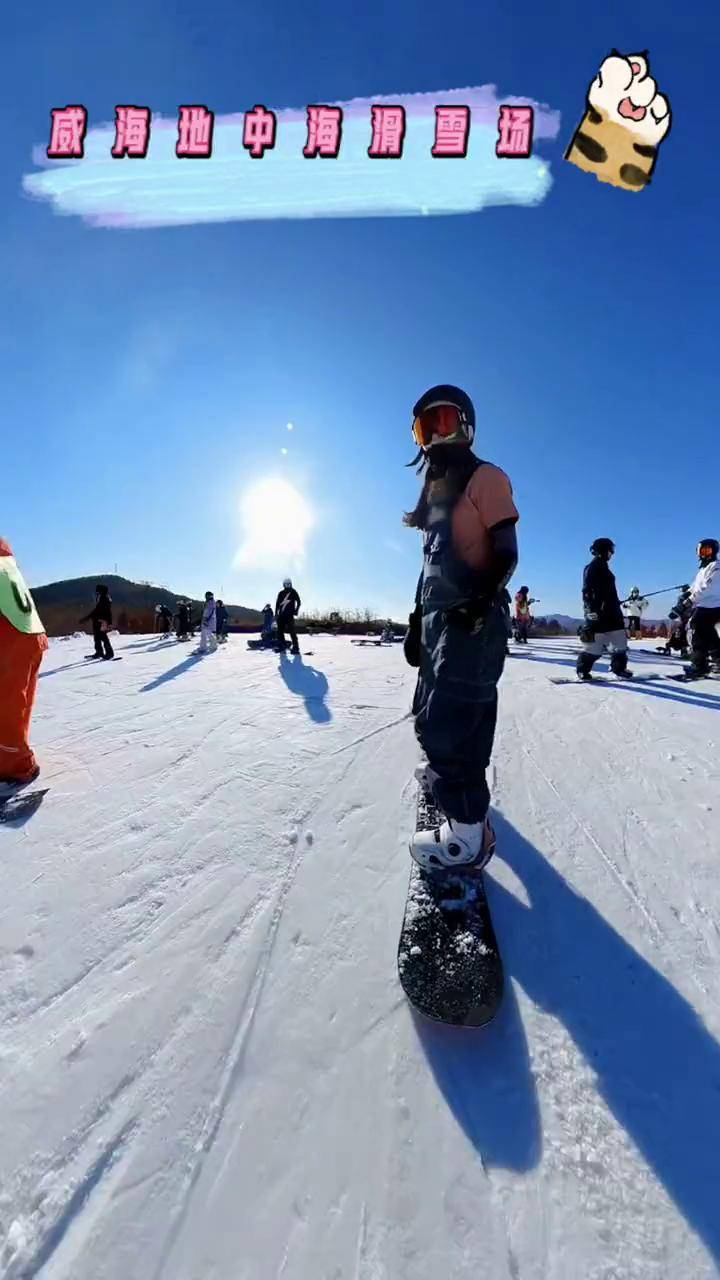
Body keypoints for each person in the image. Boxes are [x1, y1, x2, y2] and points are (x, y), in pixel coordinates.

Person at [403, 384, 518, 872]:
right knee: (428, 712)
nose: (433, 436)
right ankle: (445, 778)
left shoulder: (485, 477)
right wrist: (415, 622)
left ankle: (468, 836)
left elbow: (507, 551)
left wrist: (478, 600)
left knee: (458, 719)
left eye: (442, 422)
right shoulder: (436, 492)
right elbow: (428, 569)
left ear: (466, 425)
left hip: (473, 620)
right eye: (424, 428)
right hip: (438, 621)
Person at [0, 538, 48, 785]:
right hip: (30, 634)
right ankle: (14, 753)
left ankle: (17, 765)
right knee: (18, 704)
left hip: (11, 639)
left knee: (6, 706)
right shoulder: (6, 560)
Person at [577, 539, 633, 681]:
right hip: (597, 613)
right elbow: (587, 591)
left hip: (612, 612)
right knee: (594, 648)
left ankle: (619, 668)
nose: (612, 553)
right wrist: (591, 609)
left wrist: (614, 602)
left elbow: (608, 591)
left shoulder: (605, 567)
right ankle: (583, 670)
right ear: (603, 551)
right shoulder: (592, 567)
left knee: (620, 641)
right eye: (610, 550)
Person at [684, 539, 720, 678]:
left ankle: (699, 665)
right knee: (707, 631)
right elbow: (696, 586)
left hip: (712, 604)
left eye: (708, 550)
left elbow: (706, 587)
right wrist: (687, 592)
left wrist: (689, 600)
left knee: (696, 628)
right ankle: (717, 660)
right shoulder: (704, 568)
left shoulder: (716, 566)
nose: (705, 554)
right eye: (702, 550)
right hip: (706, 604)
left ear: (714, 551)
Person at [80, 584, 114, 660]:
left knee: (103, 637)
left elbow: (99, 611)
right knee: (97, 637)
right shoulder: (103, 597)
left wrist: (87, 618)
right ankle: (99, 652)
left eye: (98, 590)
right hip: (98, 620)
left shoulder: (104, 599)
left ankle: (109, 653)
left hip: (102, 621)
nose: (97, 592)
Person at [662, 586, 691, 657]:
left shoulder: (684, 597)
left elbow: (679, 607)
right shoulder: (685, 597)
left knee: (683, 632)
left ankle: (671, 646)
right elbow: (680, 607)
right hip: (686, 619)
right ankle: (682, 649)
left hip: (688, 618)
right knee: (682, 632)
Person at [275, 578, 301, 655]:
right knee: (279, 631)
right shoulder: (281, 593)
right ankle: (282, 645)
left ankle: (296, 647)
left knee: (292, 631)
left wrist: (296, 610)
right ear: (283, 584)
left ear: (291, 584)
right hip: (281, 615)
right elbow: (277, 604)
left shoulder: (293, 592)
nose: (287, 585)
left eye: (289, 584)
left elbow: (299, 602)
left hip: (289, 615)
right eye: (286, 584)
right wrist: (276, 613)